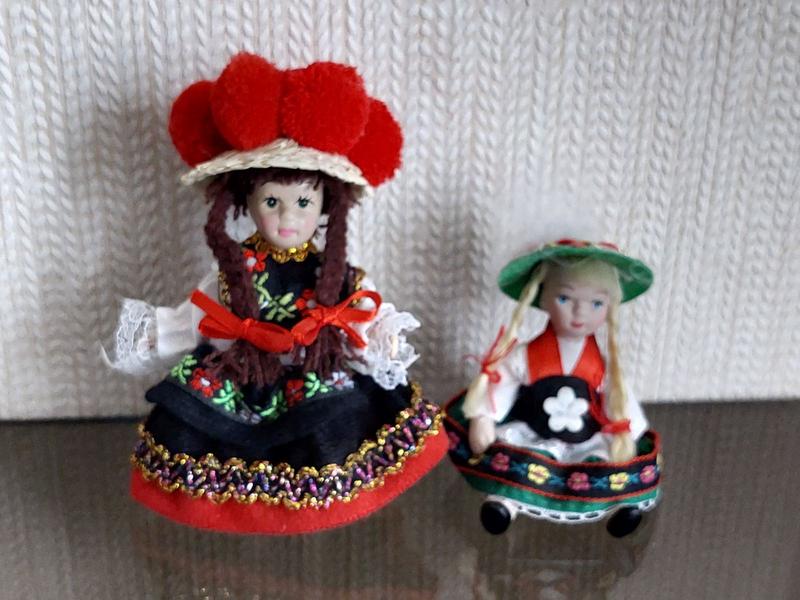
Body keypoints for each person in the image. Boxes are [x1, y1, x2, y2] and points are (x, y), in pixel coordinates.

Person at [106, 53, 446, 535]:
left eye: (303, 201)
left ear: (326, 205)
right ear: (246, 201)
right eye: (272, 201)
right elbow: (198, 317)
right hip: (245, 377)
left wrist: (381, 338)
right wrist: (154, 336)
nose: (288, 217)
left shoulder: (336, 275)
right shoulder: (232, 272)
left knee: (331, 430)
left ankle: (319, 513)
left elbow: (366, 316)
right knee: (209, 436)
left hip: (315, 378)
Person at [444, 239, 661, 536]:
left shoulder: (602, 364)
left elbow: (619, 399)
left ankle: (619, 507)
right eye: (564, 299)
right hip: (534, 433)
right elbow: (503, 381)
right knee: (515, 460)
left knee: (604, 464)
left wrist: (626, 429)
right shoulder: (528, 355)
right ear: (543, 298)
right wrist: (484, 417)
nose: (579, 313)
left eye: (596, 304)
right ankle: (505, 503)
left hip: (586, 437)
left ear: (610, 306)